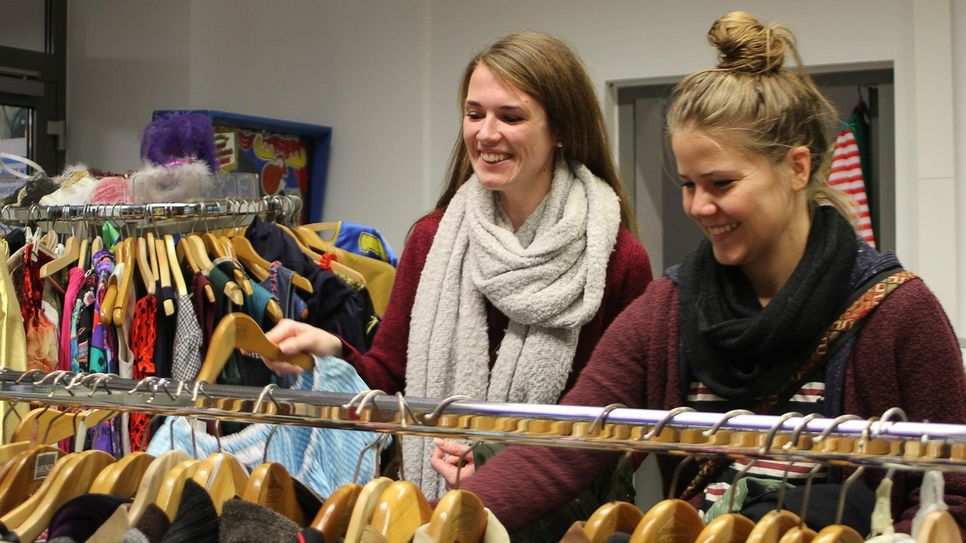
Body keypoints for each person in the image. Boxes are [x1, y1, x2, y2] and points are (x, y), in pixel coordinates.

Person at [447, 11, 966, 537]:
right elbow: (570, 445)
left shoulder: (897, 312)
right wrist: (448, 522)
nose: (699, 206)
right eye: (689, 184)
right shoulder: (669, 308)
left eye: (721, 183)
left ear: (797, 168)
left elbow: (955, 494)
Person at [263, 30, 653, 507]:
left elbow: (627, 428)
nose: (485, 133)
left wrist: (499, 470)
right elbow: (391, 380)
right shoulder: (432, 239)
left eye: (510, 116)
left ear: (561, 131)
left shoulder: (616, 258)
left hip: (562, 520)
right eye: (474, 114)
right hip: (433, 511)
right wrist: (334, 352)